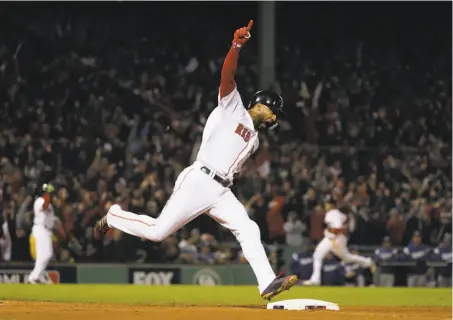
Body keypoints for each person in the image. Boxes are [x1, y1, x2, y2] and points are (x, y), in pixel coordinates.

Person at [94, 20, 298, 301]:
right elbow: (228, 76)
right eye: (275, 112)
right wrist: (236, 46)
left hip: (221, 190)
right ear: (262, 105)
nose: (276, 119)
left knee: (248, 227)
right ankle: (115, 215)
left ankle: (266, 283)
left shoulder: (256, 139)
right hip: (200, 179)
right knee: (157, 233)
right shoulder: (232, 108)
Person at [303, 204, 375, 286]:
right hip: (330, 238)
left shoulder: (333, 213)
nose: (326, 206)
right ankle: (315, 279)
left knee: (347, 258)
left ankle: (368, 261)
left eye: (327, 204)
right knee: (317, 255)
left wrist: (334, 237)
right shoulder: (335, 214)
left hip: (336, 238)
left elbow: (338, 229)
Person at [28, 183, 57, 284]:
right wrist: (47, 194)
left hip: (46, 231)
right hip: (41, 229)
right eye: (50, 193)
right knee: (43, 255)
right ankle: (34, 276)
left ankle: (38, 276)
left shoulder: (48, 202)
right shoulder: (39, 201)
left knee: (47, 254)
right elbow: (44, 206)